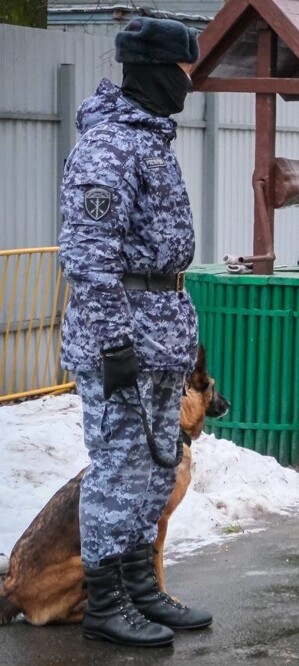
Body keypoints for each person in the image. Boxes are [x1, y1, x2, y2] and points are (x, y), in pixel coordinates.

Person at [58, 17, 211, 647]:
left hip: (160, 334)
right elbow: (89, 253)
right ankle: (104, 601)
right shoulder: (109, 147)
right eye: (181, 71)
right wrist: (112, 341)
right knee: (117, 469)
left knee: (154, 467)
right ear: (151, 70)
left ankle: (140, 588)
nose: (188, 82)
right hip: (123, 337)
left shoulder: (150, 140)